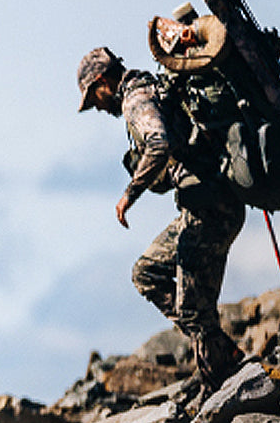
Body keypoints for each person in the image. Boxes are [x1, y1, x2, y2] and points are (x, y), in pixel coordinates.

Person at [77, 46, 246, 392]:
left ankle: (222, 386)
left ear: (102, 81)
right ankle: (224, 356)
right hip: (201, 207)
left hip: (212, 209)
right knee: (147, 273)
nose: (97, 107)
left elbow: (159, 143)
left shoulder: (136, 100)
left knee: (192, 308)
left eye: (94, 98)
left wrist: (129, 194)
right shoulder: (149, 89)